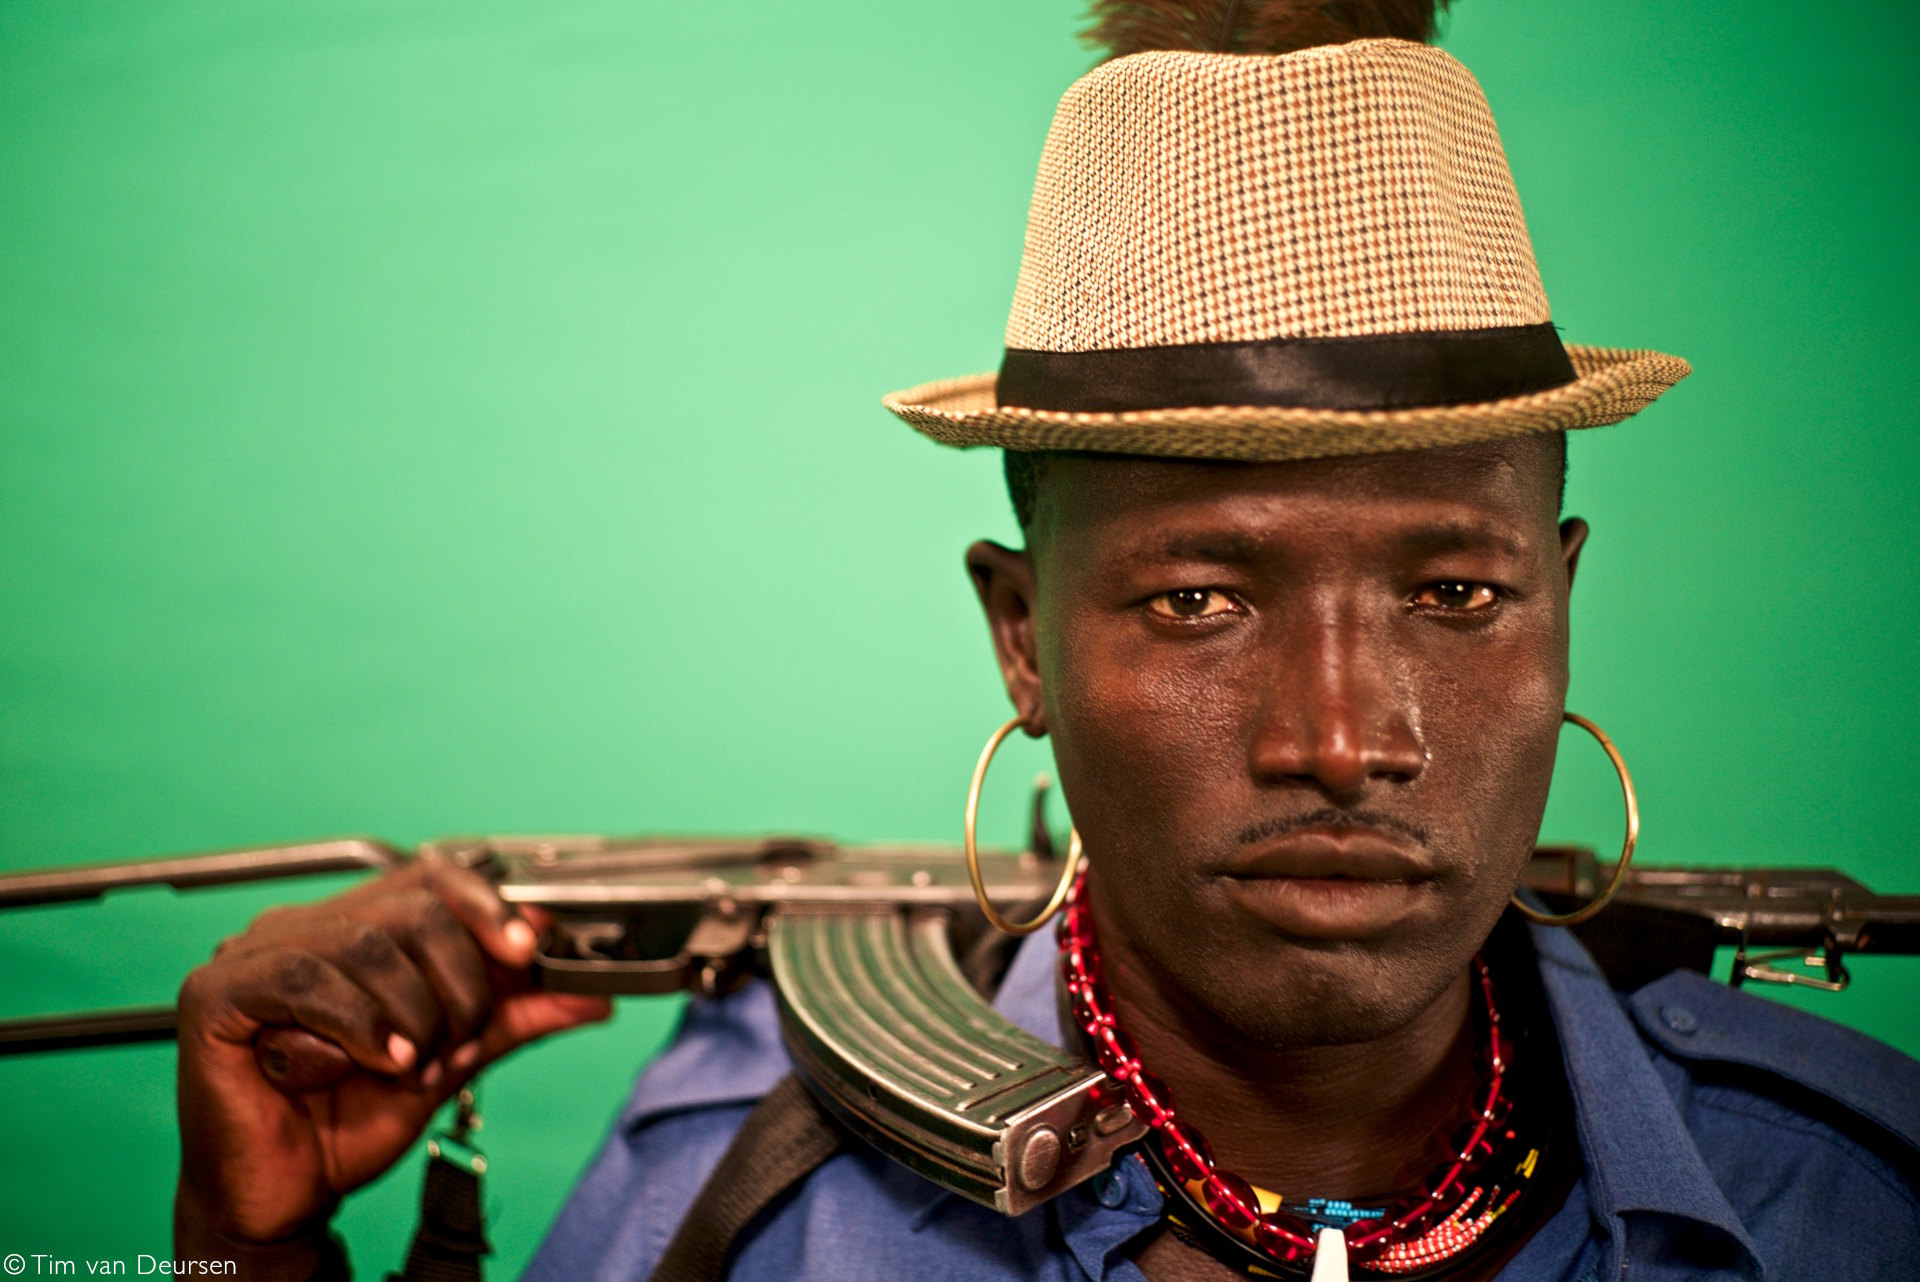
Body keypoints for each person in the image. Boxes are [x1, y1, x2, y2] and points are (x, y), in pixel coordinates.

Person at [171, 4, 1920, 1280]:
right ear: (1022, 637)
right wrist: (240, 1262)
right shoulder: (738, 1200)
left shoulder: (1849, 1187)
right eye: (1200, 602)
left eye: (1455, 594)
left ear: (1562, 599)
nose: (1340, 734)